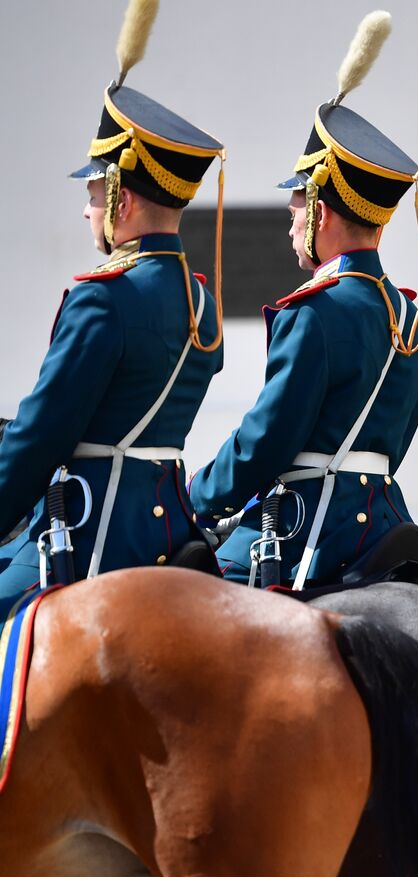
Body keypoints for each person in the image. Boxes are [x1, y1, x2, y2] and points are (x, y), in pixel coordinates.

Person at [188, 12, 418, 590]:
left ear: (321, 207)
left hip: (310, 530)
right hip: (388, 522)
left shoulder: (313, 311)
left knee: (181, 594)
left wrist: (197, 493)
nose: (291, 217)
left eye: (297, 201)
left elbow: (267, 439)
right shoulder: (410, 316)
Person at [0, 0, 224, 612]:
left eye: (94, 192)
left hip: (90, 535)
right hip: (173, 532)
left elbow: (41, 435)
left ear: (123, 199)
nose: (87, 208)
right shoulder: (201, 304)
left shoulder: (102, 300)